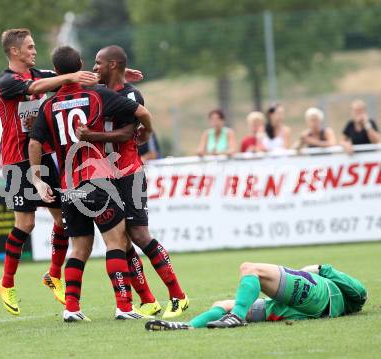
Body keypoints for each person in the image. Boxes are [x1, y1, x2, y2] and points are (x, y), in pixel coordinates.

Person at [29, 45, 155, 322]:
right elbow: (140, 112)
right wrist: (145, 131)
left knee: (79, 248)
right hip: (97, 179)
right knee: (116, 240)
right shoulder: (96, 94)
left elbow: (35, 142)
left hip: (68, 185)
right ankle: (124, 306)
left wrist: (37, 180)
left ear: (57, 71)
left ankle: (71, 308)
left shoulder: (48, 105)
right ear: (82, 66)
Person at [77, 45, 189, 319]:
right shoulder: (100, 91)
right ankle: (148, 300)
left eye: (98, 63)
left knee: (139, 235)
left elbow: (129, 131)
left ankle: (178, 296)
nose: (95, 68)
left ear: (112, 65)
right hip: (108, 176)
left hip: (130, 173)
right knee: (121, 240)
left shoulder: (130, 94)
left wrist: (92, 137)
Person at [0, 28, 99, 316]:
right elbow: (36, 89)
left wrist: (116, 73)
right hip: (17, 160)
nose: (34, 50)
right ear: (14, 51)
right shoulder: (7, 82)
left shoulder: (38, 73)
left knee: (63, 219)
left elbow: (71, 76)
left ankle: (53, 275)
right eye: (29, 46)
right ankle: (6, 283)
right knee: (25, 224)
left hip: (42, 156)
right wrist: (68, 77)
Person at [145, 262, 367, 331]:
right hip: (295, 310)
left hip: (317, 294)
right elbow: (357, 294)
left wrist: (312, 269)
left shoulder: (339, 290)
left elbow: (358, 292)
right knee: (222, 305)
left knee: (250, 269)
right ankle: (189, 327)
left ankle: (238, 317)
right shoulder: (347, 302)